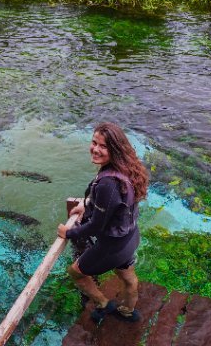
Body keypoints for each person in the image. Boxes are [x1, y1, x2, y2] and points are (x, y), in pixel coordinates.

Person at [57, 122, 148, 324]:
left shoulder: (108, 183)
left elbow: (96, 226)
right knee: (128, 278)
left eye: (103, 146)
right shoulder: (127, 168)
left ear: (115, 149)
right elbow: (117, 205)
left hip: (112, 246)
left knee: (75, 273)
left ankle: (104, 304)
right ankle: (128, 312)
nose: (96, 149)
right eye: (94, 142)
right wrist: (88, 204)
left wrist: (68, 233)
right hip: (130, 237)